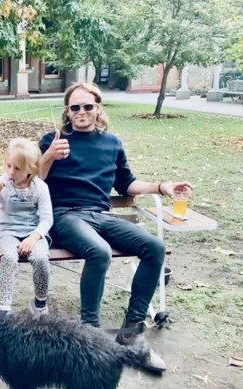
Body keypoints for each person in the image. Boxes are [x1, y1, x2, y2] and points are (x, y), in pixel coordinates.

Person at [39, 83, 193, 373]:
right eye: (75, 107)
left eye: (88, 106)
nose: (81, 112)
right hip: (65, 215)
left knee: (155, 247)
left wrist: (162, 186)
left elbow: (126, 184)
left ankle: (131, 334)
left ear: (98, 108)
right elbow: (33, 181)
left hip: (102, 214)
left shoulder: (112, 143)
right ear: (68, 112)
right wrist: (48, 156)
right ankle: (90, 334)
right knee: (99, 251)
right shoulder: (53, 139)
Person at [0, 138, 53, 315]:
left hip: (33, 232)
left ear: (31, 168)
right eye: (8, 166)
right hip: (7, 231)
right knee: (9, 258)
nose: (11, 172)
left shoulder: (40, 187)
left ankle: (40, 303)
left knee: (41, 258)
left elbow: (47, 219)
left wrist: (34, 237)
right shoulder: (0, 185)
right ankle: (5, 308)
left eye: (17, 168)